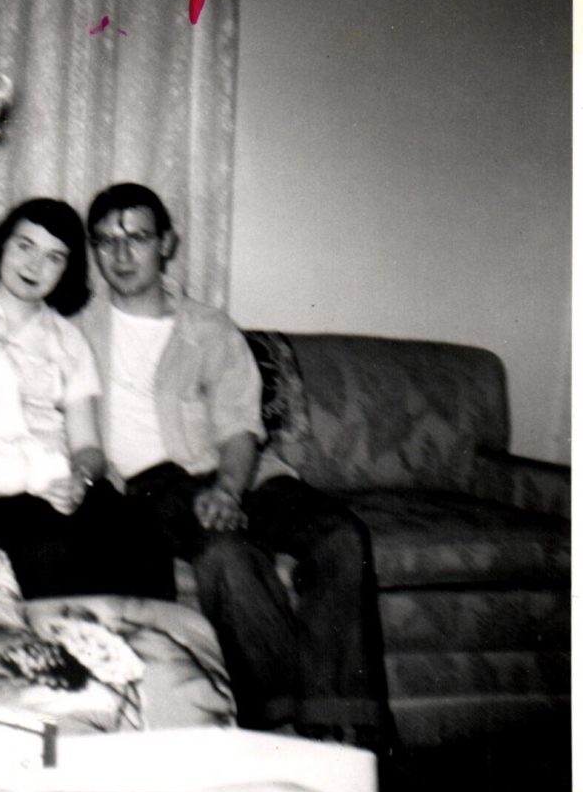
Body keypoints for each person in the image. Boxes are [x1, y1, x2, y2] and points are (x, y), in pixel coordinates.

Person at [79, 182, 391, 749]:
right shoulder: (76, 333)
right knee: (228, 554)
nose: (121, 255)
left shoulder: (209, 328)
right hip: (154, 486)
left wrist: (229, 486)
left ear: (167, 244)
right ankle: (278, 734)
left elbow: (240, 423)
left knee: (341, 535)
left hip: (244, 471)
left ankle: (341, 732)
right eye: (105, 241)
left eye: (137, 238)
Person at [0, 196, 174, 601]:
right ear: (1, 244)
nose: (34, 266)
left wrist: (82, 478)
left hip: (53, 473)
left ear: (67, 269)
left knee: (142, 537)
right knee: (49, 550)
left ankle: (147, 656)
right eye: (25, 246)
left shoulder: (69, 339)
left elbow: (88, 446)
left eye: (54, 257)